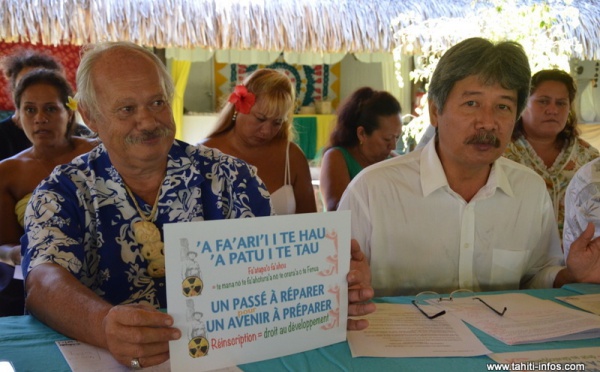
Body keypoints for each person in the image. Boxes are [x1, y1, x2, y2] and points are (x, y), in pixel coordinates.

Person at [20, 42, 374, 369]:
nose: (147, 121)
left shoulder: (232, 178)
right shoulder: (62, 191)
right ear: (91, 115)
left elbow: (276, 273)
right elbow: (43, 280)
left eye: (157, 102)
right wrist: (102, 324)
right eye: (127, 109)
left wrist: (329, 288)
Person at [338, 37, 600, 297]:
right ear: (435, 112)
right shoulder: (371, 191)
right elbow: (337, 283)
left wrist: (571, 275)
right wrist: (348, 289)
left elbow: (536, 275)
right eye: (472, 103)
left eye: (503, 106)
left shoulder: (529, 190)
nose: (488, 122)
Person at [0, 69, 97, 317]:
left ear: (69, 112)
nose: (40, 118)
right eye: (30, 109)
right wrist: (19, 253)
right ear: (18, 116)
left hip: (109, 276)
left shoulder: (99, 154)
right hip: (44, 283)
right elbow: (3, 245)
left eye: (50, 109)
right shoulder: (8, 172)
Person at [202, 68, 316, 215]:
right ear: (239, 107)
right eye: (260, 119)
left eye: (277, 122)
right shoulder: (204, 155)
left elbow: (310, 221)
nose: (267, 131)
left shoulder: (292, 157)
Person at [504, 69, 599, 242]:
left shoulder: (589, 159)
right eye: (543, 101)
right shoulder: (501, 154)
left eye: (561, 103)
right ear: (523, 104)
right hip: (514, 257)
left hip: (576, 261)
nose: (552, 110)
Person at [0, 49, 92, 162]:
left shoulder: (86, 140)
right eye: (26, 84)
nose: (40, 118)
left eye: (50, 109)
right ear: (14, 93)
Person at [319, 87, 402, 211]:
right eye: (387, 139)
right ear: (362, 133)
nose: (393, 146)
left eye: (397, 137)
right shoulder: (337, 157)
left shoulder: (393, 161)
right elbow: (337, 211)